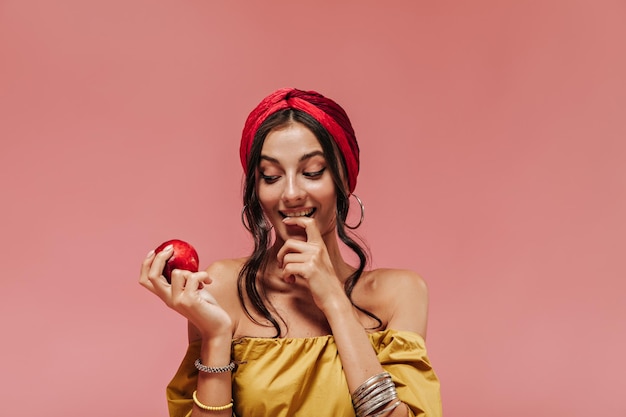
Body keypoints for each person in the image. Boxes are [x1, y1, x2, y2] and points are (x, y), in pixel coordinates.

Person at [139, 88, 442, 417]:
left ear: (345, 179)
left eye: (312, 172)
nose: (292, 193)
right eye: (271, 176)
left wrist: (334, 300)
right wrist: (216, 337)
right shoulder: (224, 286)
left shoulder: (400, 294)